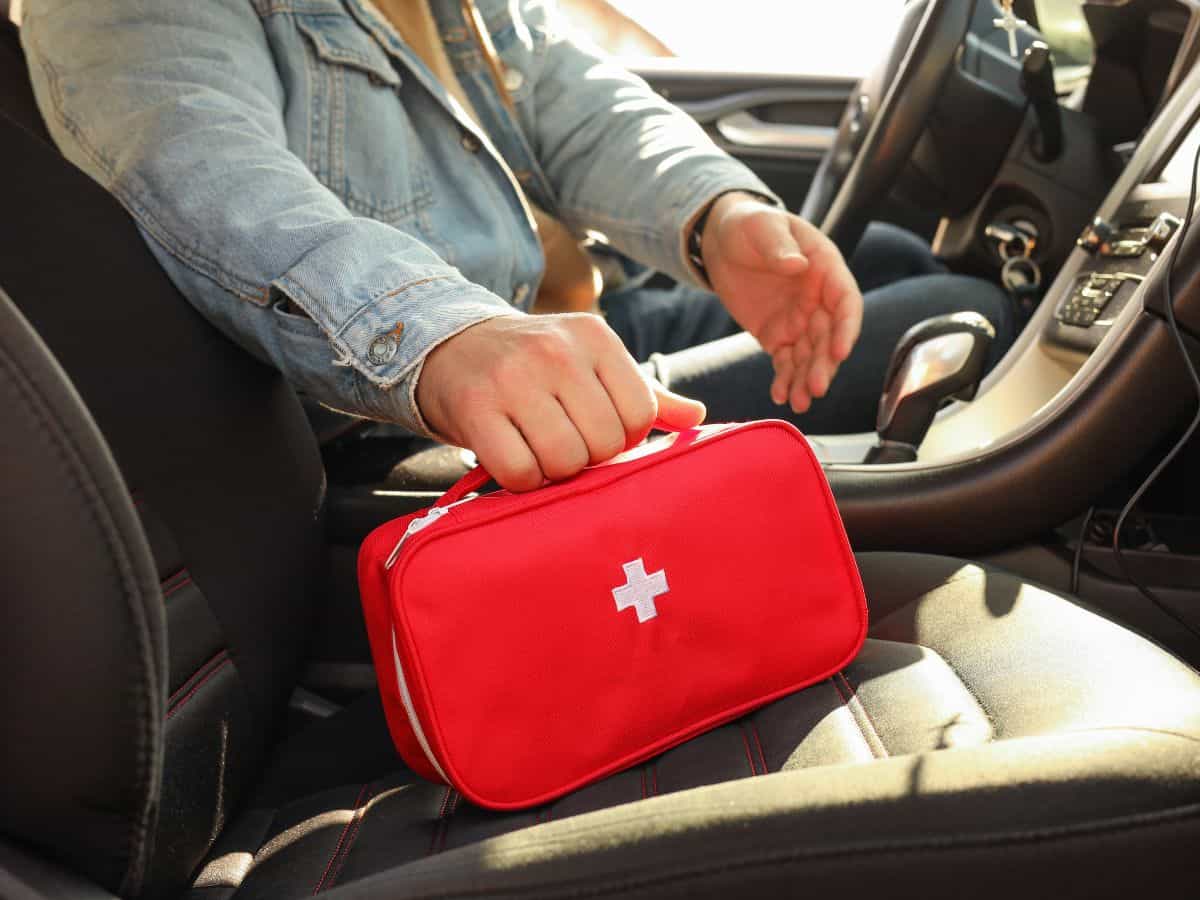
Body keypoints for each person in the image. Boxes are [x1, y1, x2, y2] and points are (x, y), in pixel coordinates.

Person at [20, 0, 1013, 491]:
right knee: (959, 314)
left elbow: (572, 97)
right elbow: (204, 171)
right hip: (454, 406)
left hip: (575, 319)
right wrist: (442, 336)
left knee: (882, 258)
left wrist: (717, 218)